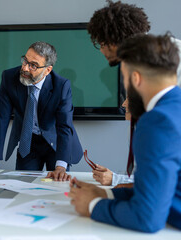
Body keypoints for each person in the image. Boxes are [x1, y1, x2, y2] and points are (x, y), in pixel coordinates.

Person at [69, 34, 181, 232]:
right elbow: (164, 189)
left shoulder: (157, 121)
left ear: (135, 78)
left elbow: (147, 218)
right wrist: (108, 195)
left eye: (124, 77)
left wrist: (92, 205)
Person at [0, 41, 83, 181]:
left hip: (56, 144)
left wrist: (61, 166)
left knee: (57, 185)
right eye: (25, 61)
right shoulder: (9, 77)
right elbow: (1, 120)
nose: (25, 68)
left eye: (33, 65)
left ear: (48, 70)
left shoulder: (61, 86)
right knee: (23, 185)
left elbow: (64, 126)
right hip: (28, 142)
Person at [88, 0, 181, 84]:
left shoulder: (171, 55)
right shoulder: (137, 63)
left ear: (112, 41)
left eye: (101, 44)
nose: (101, 50)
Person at [92, 99, 135, 187]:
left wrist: (115, 179)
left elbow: (152, 181)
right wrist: (112, 176)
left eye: (129, 98)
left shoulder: (153, 133)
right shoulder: (132, 129)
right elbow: (137, 175)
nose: (123, 104)